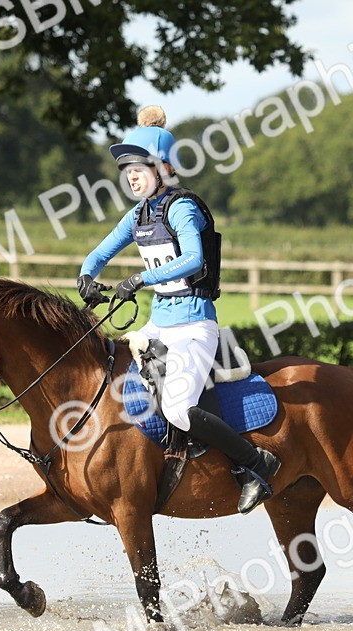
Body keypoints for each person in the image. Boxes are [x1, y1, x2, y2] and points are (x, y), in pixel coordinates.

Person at [77, 106, 279, 514]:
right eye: (127, 170)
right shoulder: (138, 215)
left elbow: (193, 259)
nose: (131, 176)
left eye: (138, 168)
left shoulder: (181, 208)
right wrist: (86, 274)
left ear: (162, 167)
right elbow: (101, 253)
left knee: (178, 408)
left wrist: (139, 279)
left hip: (193, 326)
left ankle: (256, 464)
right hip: (158, 324)